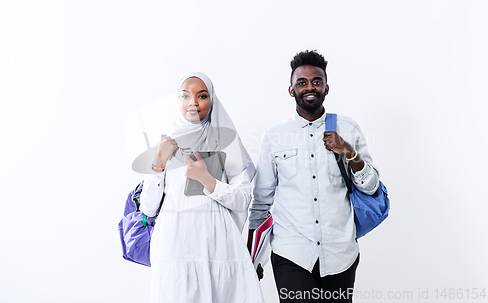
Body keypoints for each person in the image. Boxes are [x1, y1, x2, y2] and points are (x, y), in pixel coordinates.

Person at [248, 50, 380, 302]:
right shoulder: (275, 136)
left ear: (326, 88)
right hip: (292, 253)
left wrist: (350, 153)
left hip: (340, 253)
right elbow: (261, 202)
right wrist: (252, 256)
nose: (310, 87)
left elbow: (371, 187)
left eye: (316, 82)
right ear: (291, 90)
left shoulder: (347, 128)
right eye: (302, 82)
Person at [139, 73, 264, 303]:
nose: (193, 102)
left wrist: (208, 180)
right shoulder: (166, 143)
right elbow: (147, 208)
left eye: (202, 96)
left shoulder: (227, 142)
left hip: (218, 245)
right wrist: (158, 163)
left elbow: (242, 200)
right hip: (175, 246)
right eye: (185, 96)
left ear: (212, 100)